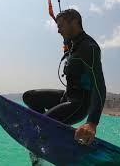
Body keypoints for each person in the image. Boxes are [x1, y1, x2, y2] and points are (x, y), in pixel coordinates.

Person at [23, 9, 106, 148]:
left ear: (74, 22)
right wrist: (67, 47)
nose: (58, 31)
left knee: (38, 127)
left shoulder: (88, 47)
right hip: (67, 97)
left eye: (61, 26)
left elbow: (99, 86)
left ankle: (43, 133)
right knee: (29, 97)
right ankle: (51, 129)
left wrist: (92, 123)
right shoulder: (73, 45)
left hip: (78, 104)